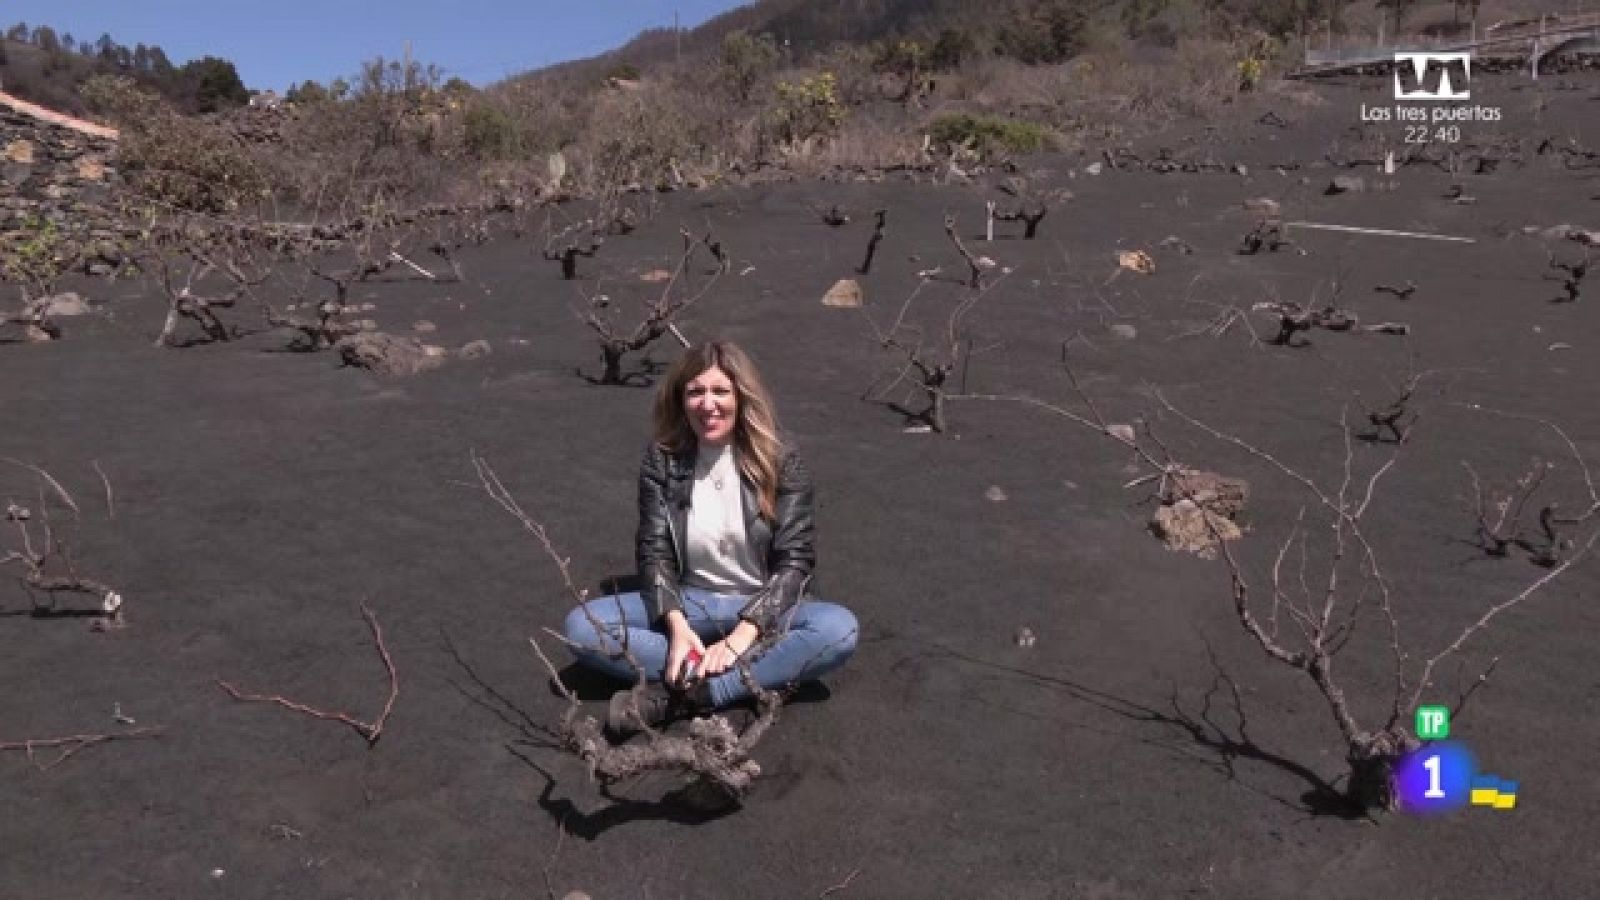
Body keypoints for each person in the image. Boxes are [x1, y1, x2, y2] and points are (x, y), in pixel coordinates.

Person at [563, 340, 858, 736]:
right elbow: (654, 551)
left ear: (742, 396)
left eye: (720, 390)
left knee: (838, 629)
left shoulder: (781, 459)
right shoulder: (663, 460)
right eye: (695, 391)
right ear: (680, 400)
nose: (708, 404)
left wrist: (742, 635)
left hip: (764, 608)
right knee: (583, 628)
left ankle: (694, 694)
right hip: (692, 603)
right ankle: (755, 673)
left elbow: (795, 561)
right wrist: (678, 627)